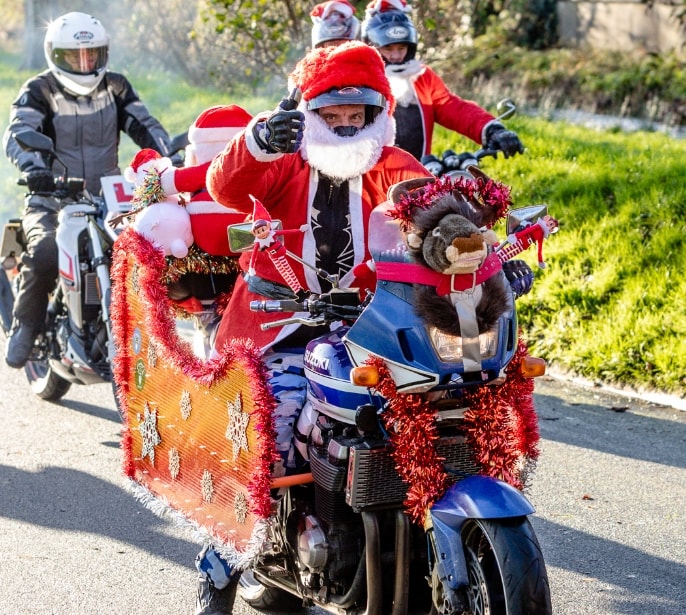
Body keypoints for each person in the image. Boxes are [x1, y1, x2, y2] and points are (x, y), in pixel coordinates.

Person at [190, 40, 429, 614]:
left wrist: (487, 259)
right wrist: (255, 141)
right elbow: (226, 187)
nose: (346, 126)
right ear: (310, 113)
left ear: (378, 116)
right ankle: (218, 572)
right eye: (332, 114)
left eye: (358, 115)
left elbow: (438, 215)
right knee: (264, 437)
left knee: (432, 416)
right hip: (278, 326)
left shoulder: (395, 166)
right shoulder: (286, 159)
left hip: (373, 328)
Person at [2, 11, 171, 369]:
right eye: (74, 56)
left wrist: (168, 157)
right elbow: (18, 134)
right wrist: (35, 170)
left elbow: (145, 125)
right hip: (52, 198)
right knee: (46, 249)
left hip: (107, 199)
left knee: (145, 250)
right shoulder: (39, 89)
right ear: (55, 55)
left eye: (91, 55)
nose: (84, 63)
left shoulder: (116, 86)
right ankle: (27, 325)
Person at [361, 0, 524, 162]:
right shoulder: (360, 81)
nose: (396, 56)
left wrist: (492, 129)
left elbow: (452, 107)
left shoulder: (421, 77)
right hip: (371, 178)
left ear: (411, 47)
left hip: (419, 177)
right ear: (372, 46)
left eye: (401, 48)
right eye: (388, 48)